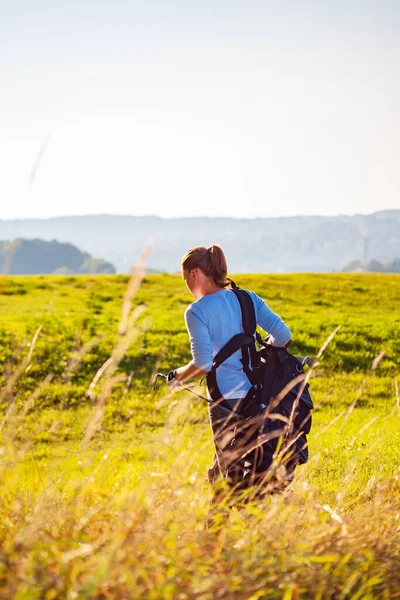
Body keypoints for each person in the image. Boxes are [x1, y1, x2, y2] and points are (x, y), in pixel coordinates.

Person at [167, 244, 292, 494]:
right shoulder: (247, 298)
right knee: (228, 468)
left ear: (194, 274)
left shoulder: (197, 311)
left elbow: (202, 363)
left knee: (227, 473)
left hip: (226, 401)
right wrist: (265, 350)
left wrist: (178, 376)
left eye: (184, 278)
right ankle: (219, 529)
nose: (187, 285)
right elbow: (283, 335)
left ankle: (228, 527)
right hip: (258, 395)